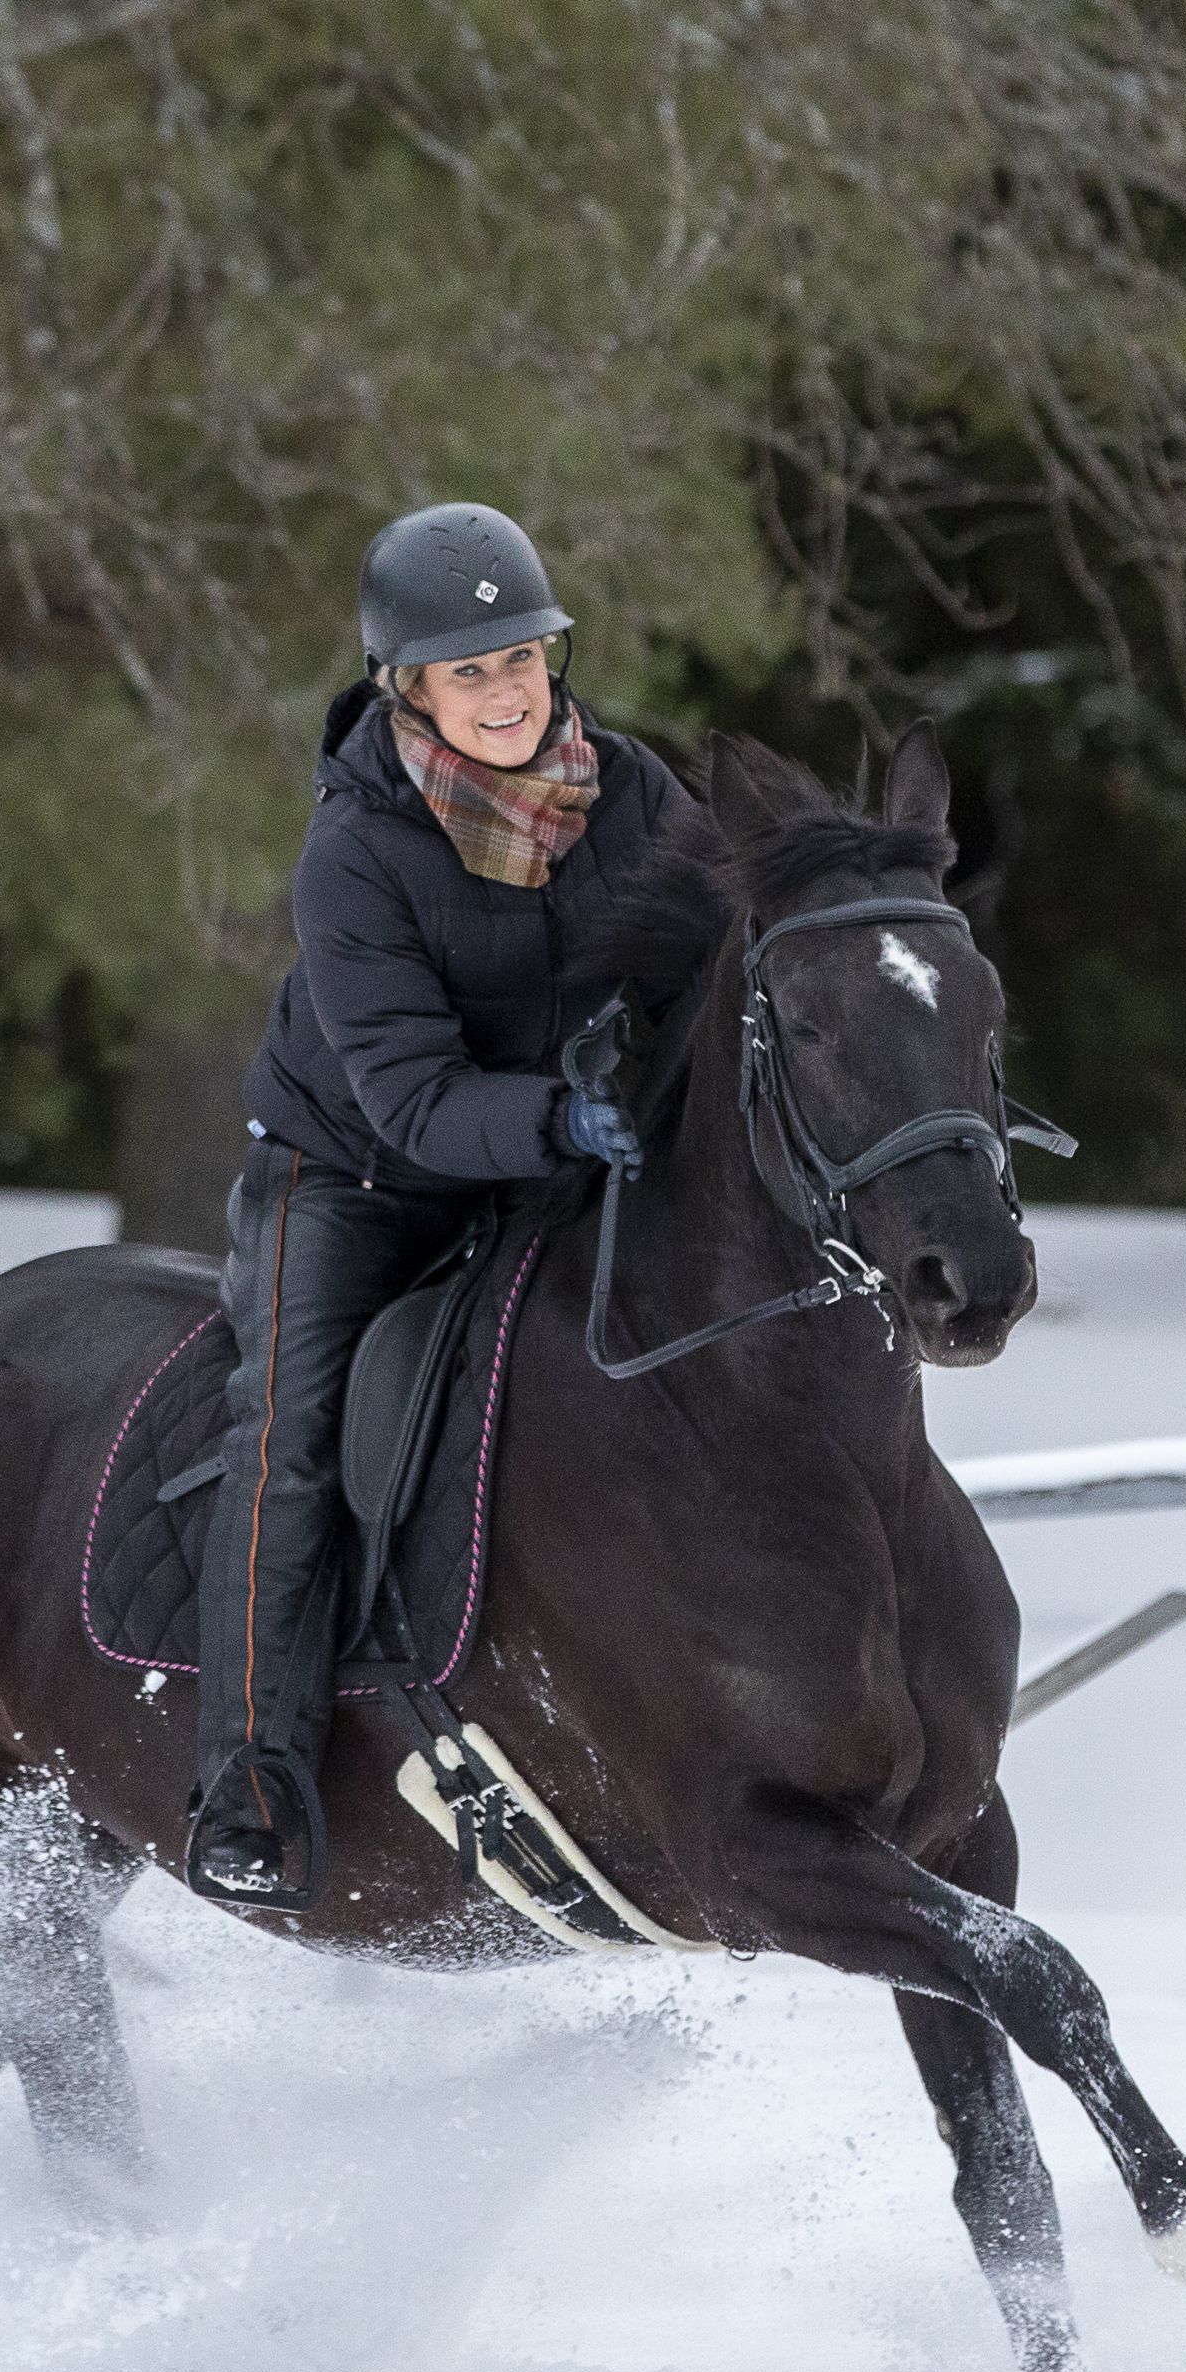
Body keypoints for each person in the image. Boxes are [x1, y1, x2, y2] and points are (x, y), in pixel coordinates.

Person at [185, 502, 688, 1909]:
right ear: (409, 686)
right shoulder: (354, 851)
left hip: (557, 1158)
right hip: (354, 1175)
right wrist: (558, 1118)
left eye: (523, 654)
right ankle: (254, 1777)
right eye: (470, 670)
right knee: (286, 1433)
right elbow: (408, 1097)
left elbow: (720, 960)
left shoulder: (632, 791)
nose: (509, 689)